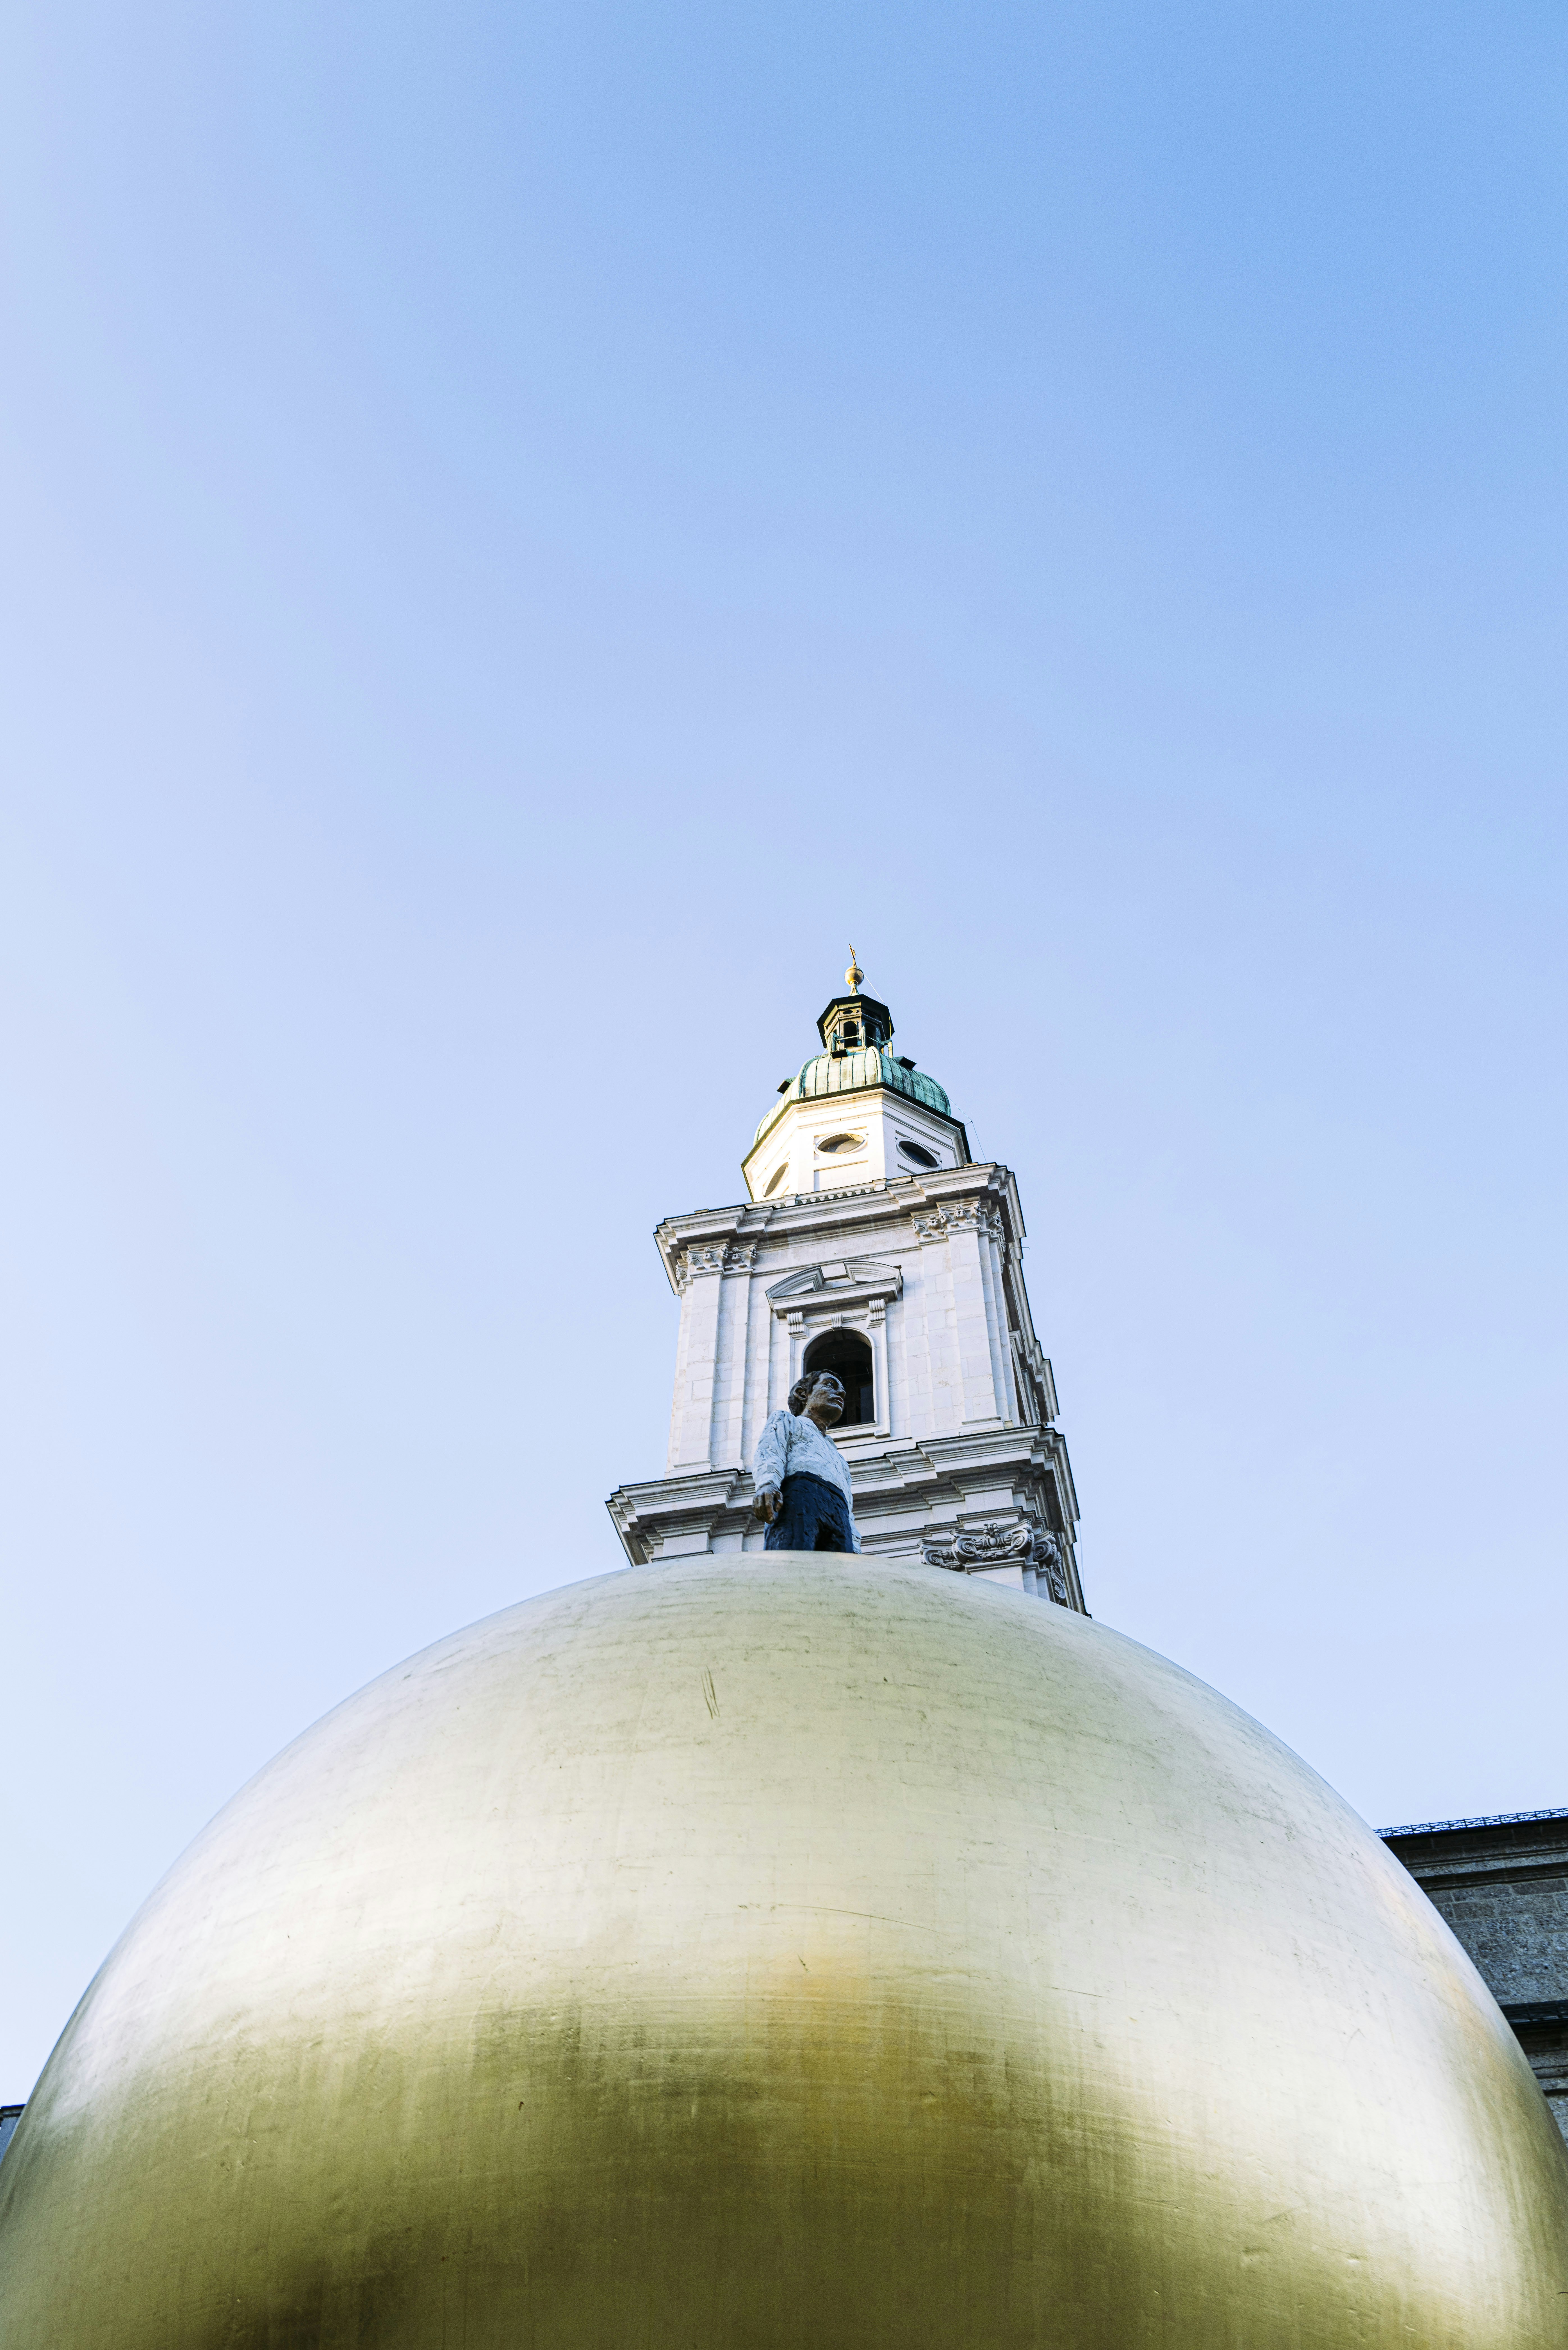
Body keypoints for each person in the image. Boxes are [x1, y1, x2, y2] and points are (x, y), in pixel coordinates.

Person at [751, 1372, 861, 1553]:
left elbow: (849, 1507)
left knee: (842, 1574)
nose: (841, 1394)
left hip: (839, 1510)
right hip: (800, 1497)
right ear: (803, 1394)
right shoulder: (787, 1421)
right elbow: (770, 1451)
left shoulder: (839, 1458)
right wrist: (767, 1485)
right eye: (830, 1385)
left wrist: (854, 1543)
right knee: (793, 1558)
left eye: (843, 1391)